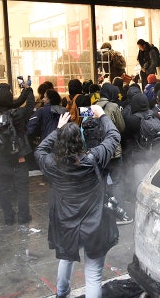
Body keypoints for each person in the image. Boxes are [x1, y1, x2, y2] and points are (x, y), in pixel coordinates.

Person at [34, 108, 120, 298]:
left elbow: (40, 150)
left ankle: (62, 293)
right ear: (80, 141)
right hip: (94, 223)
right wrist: (103, 116)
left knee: (66, 258)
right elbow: (113, 136)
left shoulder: (51, 164)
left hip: (67, 223)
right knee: (94, 275)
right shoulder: (94, 158)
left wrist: (58, 130)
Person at [0, 82, 35, 225]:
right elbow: (29, 107)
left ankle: (8, 217)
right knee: (22, 189)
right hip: (19, 157)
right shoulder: (18, 114)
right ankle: (23, 216)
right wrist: (28, 92)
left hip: (0, 157)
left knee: (2, 189)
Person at [94, 84, 132, 225]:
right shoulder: (113, 107)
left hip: (97, 152)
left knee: (101, 182)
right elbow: (122, 127)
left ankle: (102, 212)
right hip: (113, 152)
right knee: (117, 181)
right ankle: (117, 213)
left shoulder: (90, 107)